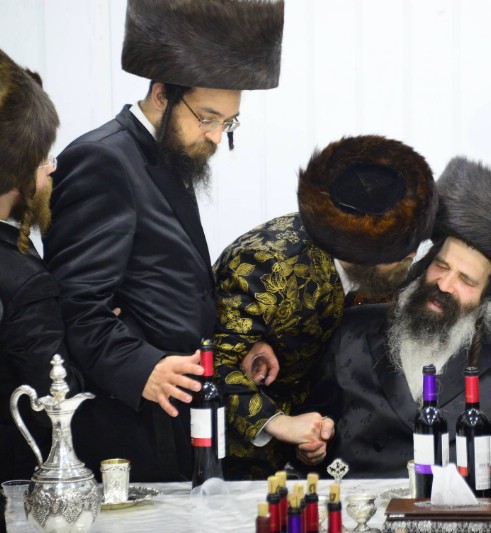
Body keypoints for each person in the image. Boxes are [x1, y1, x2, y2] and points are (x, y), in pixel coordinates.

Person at [43, 0, 285, 482]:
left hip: (179, 408)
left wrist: (234, 347)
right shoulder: (103, 159)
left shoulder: (166, 154)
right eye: (207, 118)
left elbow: (165, 286)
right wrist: (143, 367)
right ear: (161, 94)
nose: (215, 137)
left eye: (228, 123)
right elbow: (75, 304)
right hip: (131, 420)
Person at [298, 157, 491, 479]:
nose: (445, 285)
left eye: (466, 280)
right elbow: (308, 434)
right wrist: (309, 447)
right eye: (441, 266)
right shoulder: (352, 329)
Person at [213, 135, 438, 479]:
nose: (410, 258)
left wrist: (310, 433)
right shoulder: (269, 262)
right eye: (402, 253)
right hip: (229, 468)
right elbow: (213, 364)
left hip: (298, 459)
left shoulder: (358, 270)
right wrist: (279, 423)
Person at [0, 49, 82, 482]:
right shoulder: (23, 280)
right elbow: (56, 402)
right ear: (19, 172)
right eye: (43, 159)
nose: (50, 172)